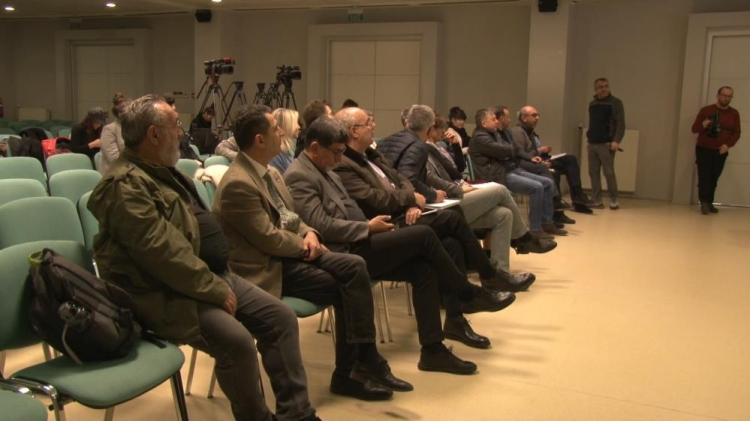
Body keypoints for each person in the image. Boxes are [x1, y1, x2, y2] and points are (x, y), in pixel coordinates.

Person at [87, 95, 320, 421]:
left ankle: (297, 414)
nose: (181, 133)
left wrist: (215, 278)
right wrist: (212, 287)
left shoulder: (161, 171)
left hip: (207, 276)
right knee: (237, 342)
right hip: (161, 291)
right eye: (176, 126)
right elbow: (161, 253)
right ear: (154, 134)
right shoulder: (124, 185)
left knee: (280, 318)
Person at [213, 104, 411, 401]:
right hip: (266, 268)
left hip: (289, 255)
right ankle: (356, 368)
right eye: (275, 129)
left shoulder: (269, 173)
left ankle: (361, 365)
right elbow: (268, 239)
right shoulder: (238, 183)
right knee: (349, 283)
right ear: (259, 140)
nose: (282, 133)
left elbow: (291, 217)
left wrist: (309, 233)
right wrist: (305, 244)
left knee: (354, 268)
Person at [285, 117, 513, 363]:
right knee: (426, 234)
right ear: (315, 148)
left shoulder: (328, 167)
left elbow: (400, 179)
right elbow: (320, 225)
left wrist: (390, 216)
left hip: (367, 233)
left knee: (428, 263)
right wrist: (367, 227)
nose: (340, 158)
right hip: (346, 250)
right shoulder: (300, 175)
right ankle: (467, 292)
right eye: (337, 152)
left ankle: (434, 351)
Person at [333, 107, 530, 293]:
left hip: (412, 206)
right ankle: (505, 258)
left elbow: (402, 179)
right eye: (368, 123)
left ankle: (467, 299)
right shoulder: (350, 162)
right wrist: (415, 198)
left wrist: (412, 200)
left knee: (497, 216)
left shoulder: (372, 153)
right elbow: (377, 196)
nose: (374, 126)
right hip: (389, 221)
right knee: (483, 199)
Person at [424, 114, 557, 270]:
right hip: (452, 197)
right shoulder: (427, 149)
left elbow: (459, 168)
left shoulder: (440, 146)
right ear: (430, 130)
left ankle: (500, 271)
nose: (443, 132)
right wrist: (457, 187)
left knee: (504, 214)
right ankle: (524, 238)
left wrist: (455, 146)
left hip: (466, 186)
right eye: (440, 129)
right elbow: (435, 178)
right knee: (501, 189)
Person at [469, 107, 563, 239]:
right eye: (493, 119)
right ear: (484, 123)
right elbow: (505, 150)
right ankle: (535, 229)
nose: (496, 121)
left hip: (506, 169)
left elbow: (509, 149)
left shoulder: (494, 133)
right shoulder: (480, 138)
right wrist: (508, 151)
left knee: (547, 182)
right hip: (496, 175)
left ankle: (546, 222)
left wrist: (508, 151)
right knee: (537, 187)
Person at [510, 106, 593, 215]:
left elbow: (532, 151)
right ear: (524, 118)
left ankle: (578, 199)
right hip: (529, 163)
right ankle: (556, 208)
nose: (537, 118)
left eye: (538, 115)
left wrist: (540, 157)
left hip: (540, 159)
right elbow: (520, 153)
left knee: (570, 159)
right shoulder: (517, 132)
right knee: (554, 172)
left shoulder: (530, 132)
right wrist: (540, 157)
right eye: (534, 115)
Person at [691, 86, 741, 215]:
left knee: (714, 177)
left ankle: (710, 202)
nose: (726, 98)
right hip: (704, 149)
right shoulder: (706, 110)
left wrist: (727, 145)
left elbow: (737, 133)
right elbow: (694, 129)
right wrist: (703, 124)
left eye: (729, 96)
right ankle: (704, 202)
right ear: (718, 96)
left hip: (721, 150)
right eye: (724, 95)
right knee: (704, 176)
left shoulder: (734, 113)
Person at [587, 78, 625, 210]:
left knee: (608, 172)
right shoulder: (592, 104)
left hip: (606, 144)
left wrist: (616, 141)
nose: (604, 89)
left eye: (606, 86)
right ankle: (596, 200)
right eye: (600, 87)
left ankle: (614, 199)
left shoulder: (616, 103)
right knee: (593, 173)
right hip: (592, 143)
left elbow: (620, 124)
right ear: (595, 89)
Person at [99, 94, 130, 174]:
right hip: (114, 175)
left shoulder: (132, 129)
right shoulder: (109, 129)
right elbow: (114, 159)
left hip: (130, 172)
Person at [270, 108, 300, 174]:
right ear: (286, 126)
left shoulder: (290, 150)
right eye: (296, 123)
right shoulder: (276, 156)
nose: (299, 127)